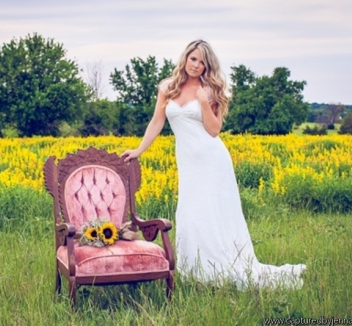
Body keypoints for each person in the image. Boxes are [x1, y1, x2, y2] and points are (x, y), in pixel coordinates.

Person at [122, 39, 305, 289]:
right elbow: (157, 122)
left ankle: (219, 268)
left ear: (208, 66)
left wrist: (205, 102)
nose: (196, 65)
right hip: (189, 163)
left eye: (202, 62)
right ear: (186, 58)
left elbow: (214, 130)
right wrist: (139, 149)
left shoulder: (212, 89)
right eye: (193, 59)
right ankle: (194, 270)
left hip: (212, 160)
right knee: (190, 212)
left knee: (213, 213)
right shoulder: (168, 87)